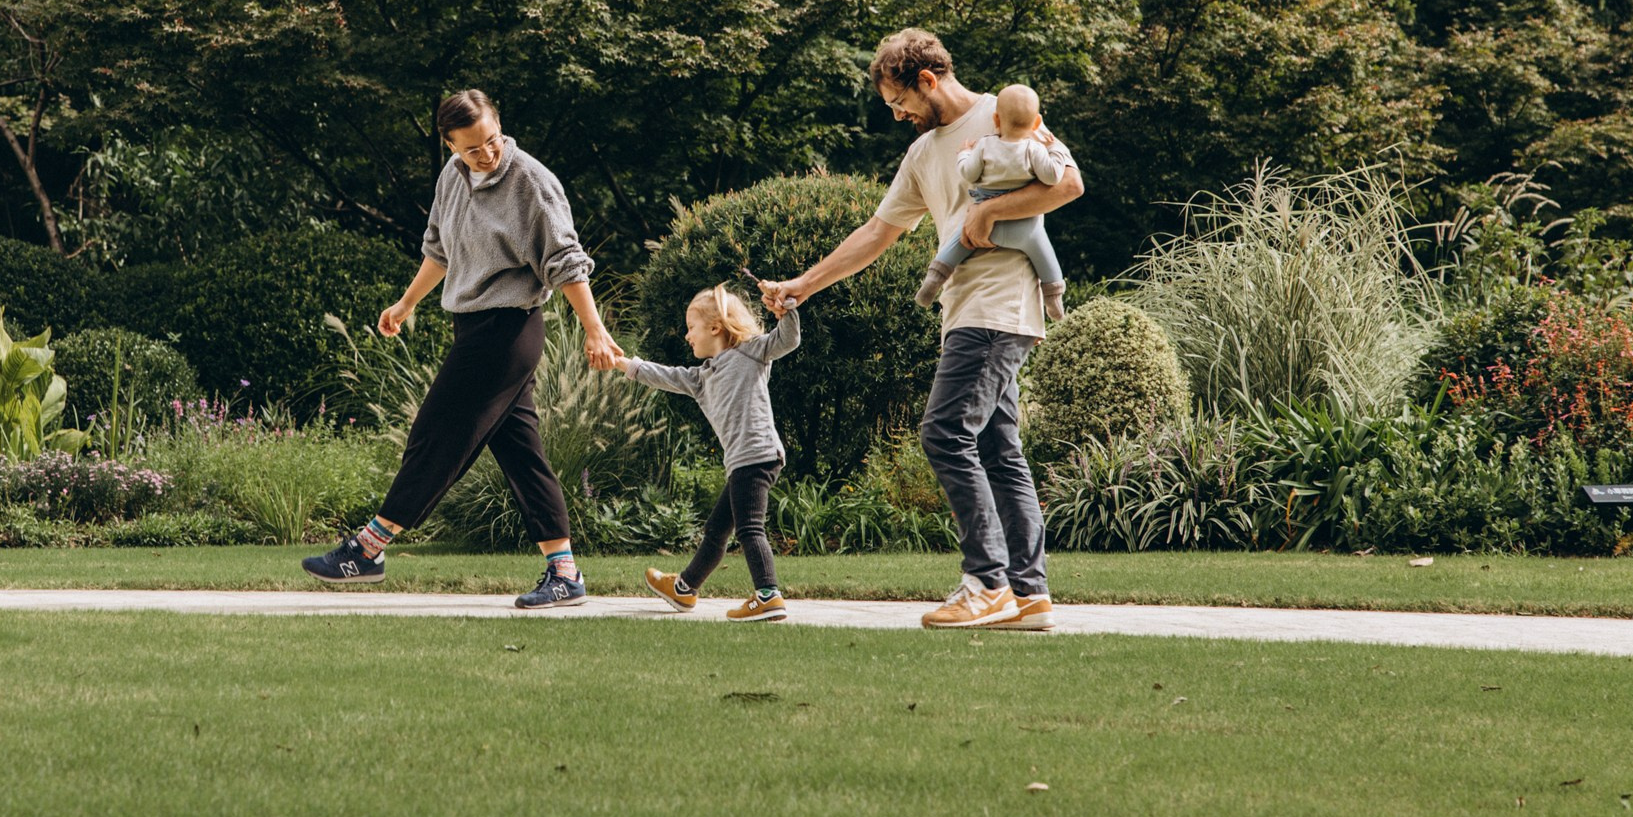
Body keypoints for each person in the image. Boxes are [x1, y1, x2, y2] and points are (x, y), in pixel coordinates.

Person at [759, 31, 1082, 632]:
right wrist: (802, 284)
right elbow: (876, 233)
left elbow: (1067, 183)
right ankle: (1028, 594)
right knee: (997, 448)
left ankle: (986, 584)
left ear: (927, 81)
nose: (897, 114)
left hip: (998, 305)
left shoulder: (1005, 113)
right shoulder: (922, 154)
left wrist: (990, 209)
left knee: (944, 432)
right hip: (965, 309)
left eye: (899, 101)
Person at [302, 89, 623, 609]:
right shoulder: (452, 178)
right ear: (450, 145)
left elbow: (565, 259)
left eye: (492, 140)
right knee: (521, 454)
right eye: (472, 148)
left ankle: (369, 547)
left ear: (500, 125)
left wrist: (594, 329)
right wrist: (406, 303)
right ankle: (565, 573)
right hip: (471, 327)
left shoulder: (531, 181)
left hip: (508, 330)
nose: (487, 154)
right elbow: (439, 250)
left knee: (436, 432)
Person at [619, 286, 801, 621]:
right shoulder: (703, 377)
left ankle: (768, 595)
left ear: (715, 327)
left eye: (691, 327)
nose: (687, 335)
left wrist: (785, 308)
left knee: (749, 528)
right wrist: (624, 364)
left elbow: (787, 339)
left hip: (757, 455)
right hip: (742, 462)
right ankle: (684, 588)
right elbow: (667, 376)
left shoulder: (751, 352)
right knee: (716, 530)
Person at [916, 83, 1068, 323]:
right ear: (1036, 123)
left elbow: (968, 173)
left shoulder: (985, 145)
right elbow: (1052, 176)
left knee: (956, 245)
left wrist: (964, 153)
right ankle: (1054, 303)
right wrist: (1054, 148)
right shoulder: (1034, 149)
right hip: (1025, 228)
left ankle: (932, 283)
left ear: (996, 119)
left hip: (982, 223)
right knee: (1046, 257)